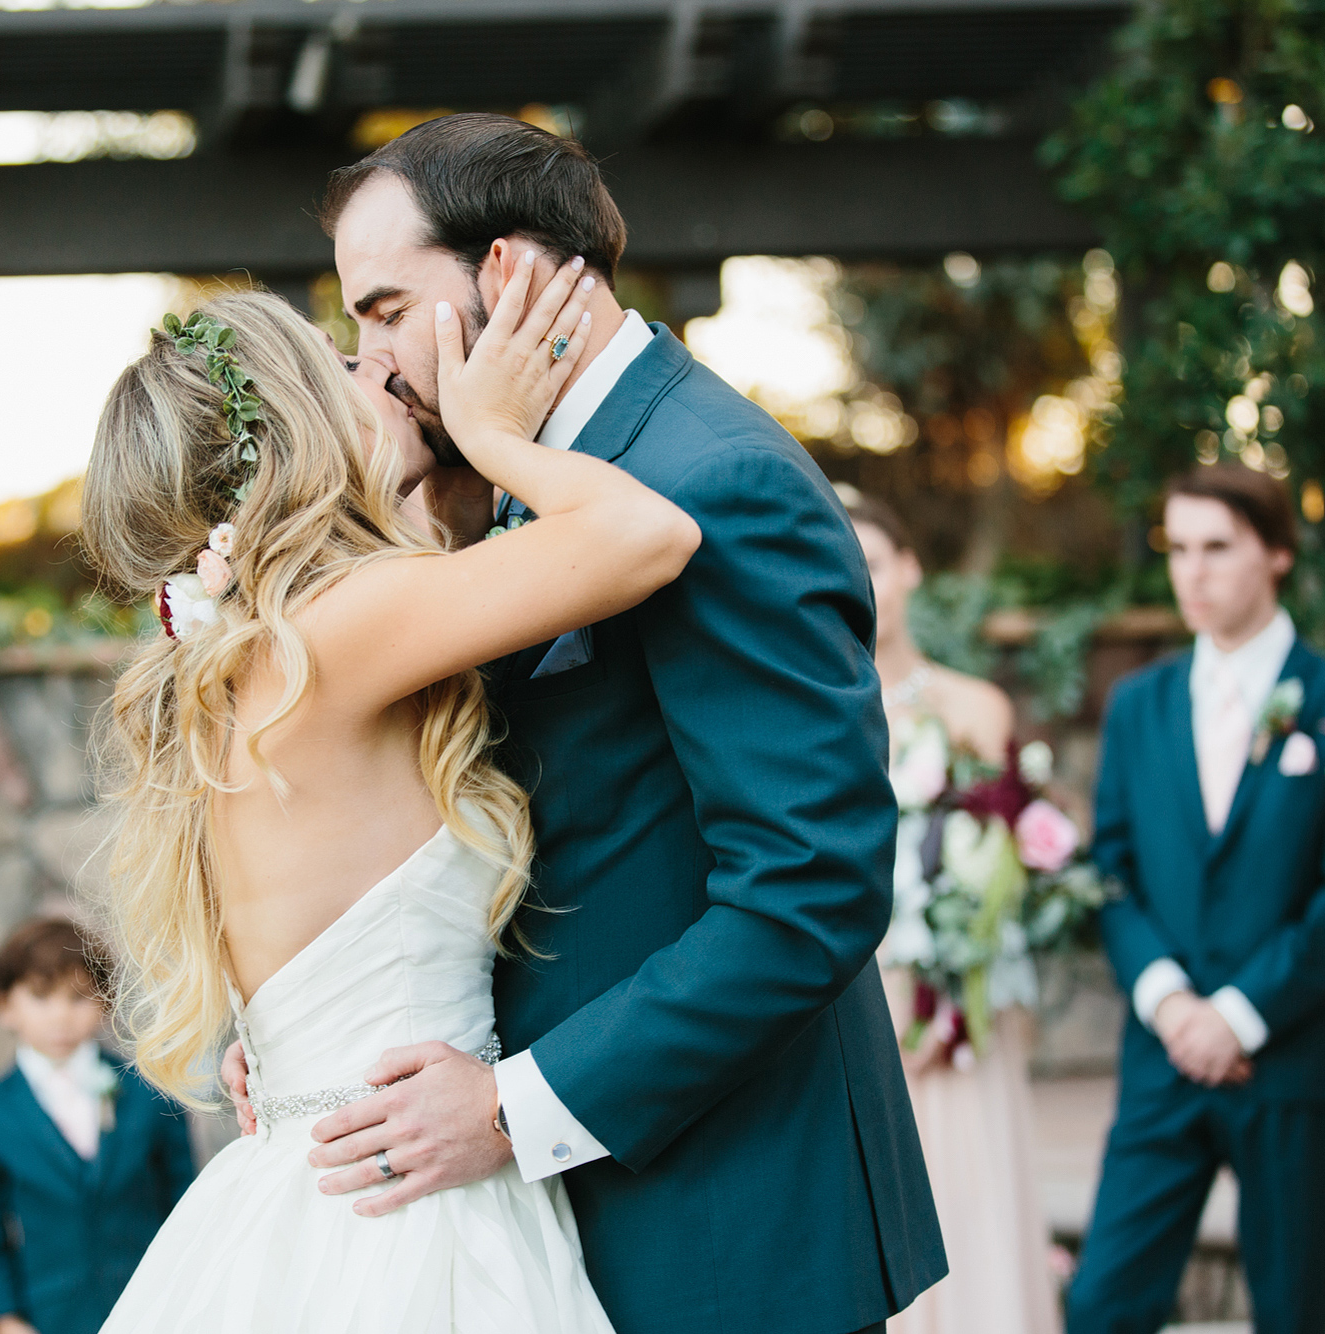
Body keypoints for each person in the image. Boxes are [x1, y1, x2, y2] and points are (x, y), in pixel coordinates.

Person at [236, 111, 946, 1334]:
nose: (368, 360)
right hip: (569, 1212)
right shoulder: (518, 480)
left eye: (385, 310)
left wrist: (512, 1106)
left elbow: (807, 888)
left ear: (501, 274)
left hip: (724, 1223)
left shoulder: (713, 477)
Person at [84, 241, 699, 1331]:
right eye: (343, 365)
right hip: (408, 1215)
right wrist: (495, 436)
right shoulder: (338, 629)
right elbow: (646, 534)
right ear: (300, 430)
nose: (380, 373)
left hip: (320, 1170)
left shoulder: (248, 657)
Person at [1066, 465, 1325, 1334]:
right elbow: (1112, 870)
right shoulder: (1139, 704)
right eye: (1179, 549)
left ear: (1278, 553)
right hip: (1164, 1057)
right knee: (1103, 1307)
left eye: (1218, 548)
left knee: (1298, 1309)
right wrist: (1173, 1005)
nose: (1194, 573)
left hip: (1290, 1065)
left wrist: (1243, 1014)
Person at [846, 491, 1059, 1334]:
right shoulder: (817, 709)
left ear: (910, 569)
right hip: (862, 995)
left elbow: (998, 866)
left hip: (956, 999)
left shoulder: (977, 709)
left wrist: (950, 973)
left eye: (876, 563)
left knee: (972, 1192)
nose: (864, 583)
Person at [0, 917, 197, 1334]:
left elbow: (183, 1199)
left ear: (104, 1002)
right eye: (41, 997)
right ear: (4, 1006)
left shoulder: (149, 1094)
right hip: (48, 1312)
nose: (61, 1016)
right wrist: (5, 1317)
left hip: (151, 1304)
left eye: (78, 998)